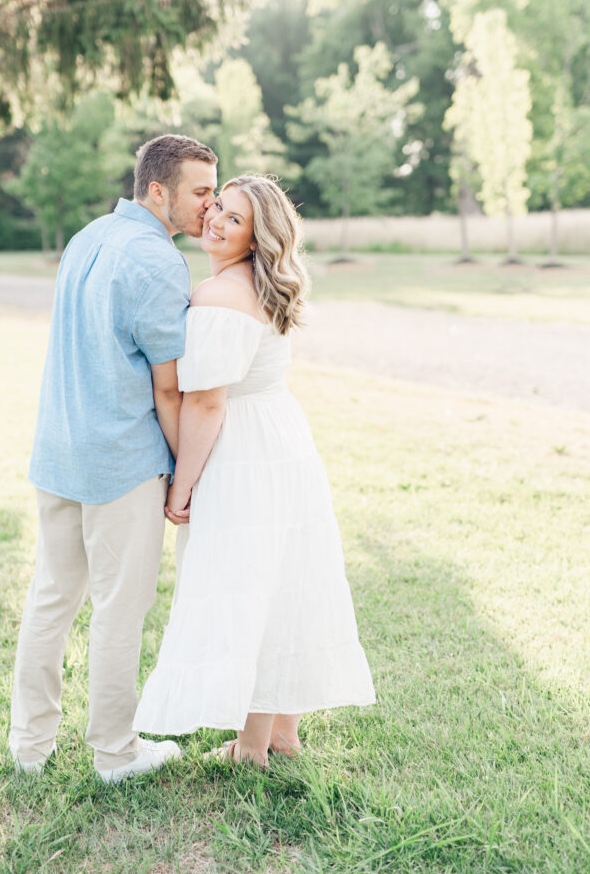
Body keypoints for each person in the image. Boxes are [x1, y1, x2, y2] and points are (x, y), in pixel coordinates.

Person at [133, 174, 375, 765]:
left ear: (256, 237)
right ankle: (281, 735)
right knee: (283, 581)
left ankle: (252, 748)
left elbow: (208, 402)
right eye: (216, 207)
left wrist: (182, 485)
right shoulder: (259, 287)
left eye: (233, 219)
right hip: (282, 441)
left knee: (247, 588)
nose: (215, 220)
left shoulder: (219, 297)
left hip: (241, 450)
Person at [9, 134, 218, 783]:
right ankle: (114, 752)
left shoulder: (88, 237)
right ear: (158, 191)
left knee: (50, 599)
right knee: (119, 610)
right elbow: (168, 386)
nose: (210, 206)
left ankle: (29, 748)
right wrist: (186, 474)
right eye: (200, 192)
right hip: (120, 462)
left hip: (60, 450)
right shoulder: (158, 262)